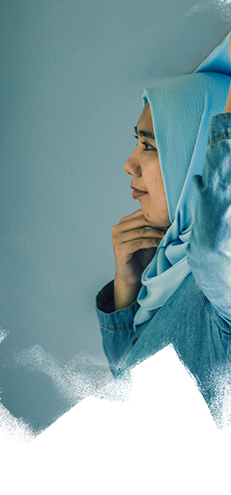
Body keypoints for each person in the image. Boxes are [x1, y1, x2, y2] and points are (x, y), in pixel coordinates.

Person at [96, 30, 231, 431]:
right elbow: (130, 389)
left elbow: (214, 249)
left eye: (150, 146)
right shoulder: (168, 278)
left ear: (199, 154)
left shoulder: (216, 281)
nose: (129, 164)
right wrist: (127, 287)